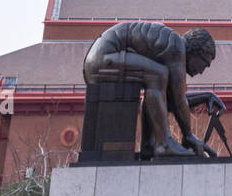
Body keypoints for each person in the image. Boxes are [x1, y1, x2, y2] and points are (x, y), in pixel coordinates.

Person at [83, 20, 217, 157]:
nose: (202, 71)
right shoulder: (177, 47)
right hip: (102, 61)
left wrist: (206, 96)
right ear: (197, 51)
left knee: (156, 80)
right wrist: (188, 135)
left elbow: (167, 101)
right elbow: (178, 100)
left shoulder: (171, 45)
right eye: (205, 64)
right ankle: (164, 144)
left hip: (99, 62)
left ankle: (149, 146)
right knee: (157, 75)